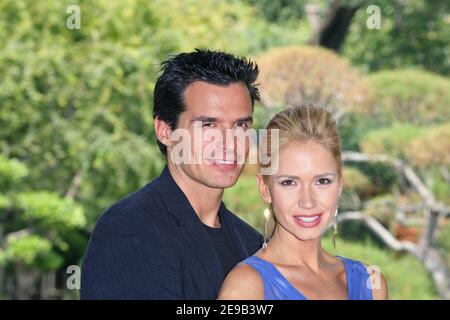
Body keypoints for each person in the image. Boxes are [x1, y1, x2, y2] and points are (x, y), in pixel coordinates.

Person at [81, 49, 263, 299]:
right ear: (165, 131)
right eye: (208, 125)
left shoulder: (252, 243)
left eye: (241, 125)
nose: (229, 143)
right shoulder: (130, 228)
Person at [218, 105, 388, 300]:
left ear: (340, 183)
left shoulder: (371, 284)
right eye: (289, 182)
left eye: (322, 181)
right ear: (265, 188)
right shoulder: (247, 288)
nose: (308, 202)